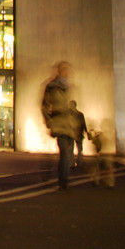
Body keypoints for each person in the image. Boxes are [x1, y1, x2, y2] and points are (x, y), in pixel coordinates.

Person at [41, 61, 76, 189]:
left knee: (68, 154)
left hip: (71, 125)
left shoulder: (71, 87)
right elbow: (44, 105)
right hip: (60, 124)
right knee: (65, 153)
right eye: (65, 70)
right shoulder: (51, 87)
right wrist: (49, 121)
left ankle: (64, 178)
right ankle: (63, 181)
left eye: (68, 70)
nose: (67, 72)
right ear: (59, 71)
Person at [70, 100, 88, 168]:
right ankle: (78, 162)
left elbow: (83, 124)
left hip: (73, 134)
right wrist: (86, 131)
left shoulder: (69, 115)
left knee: (72, 149)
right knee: (78, 149)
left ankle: (73, 162)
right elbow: (84, 124)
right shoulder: (80, 114)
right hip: (77, 134)